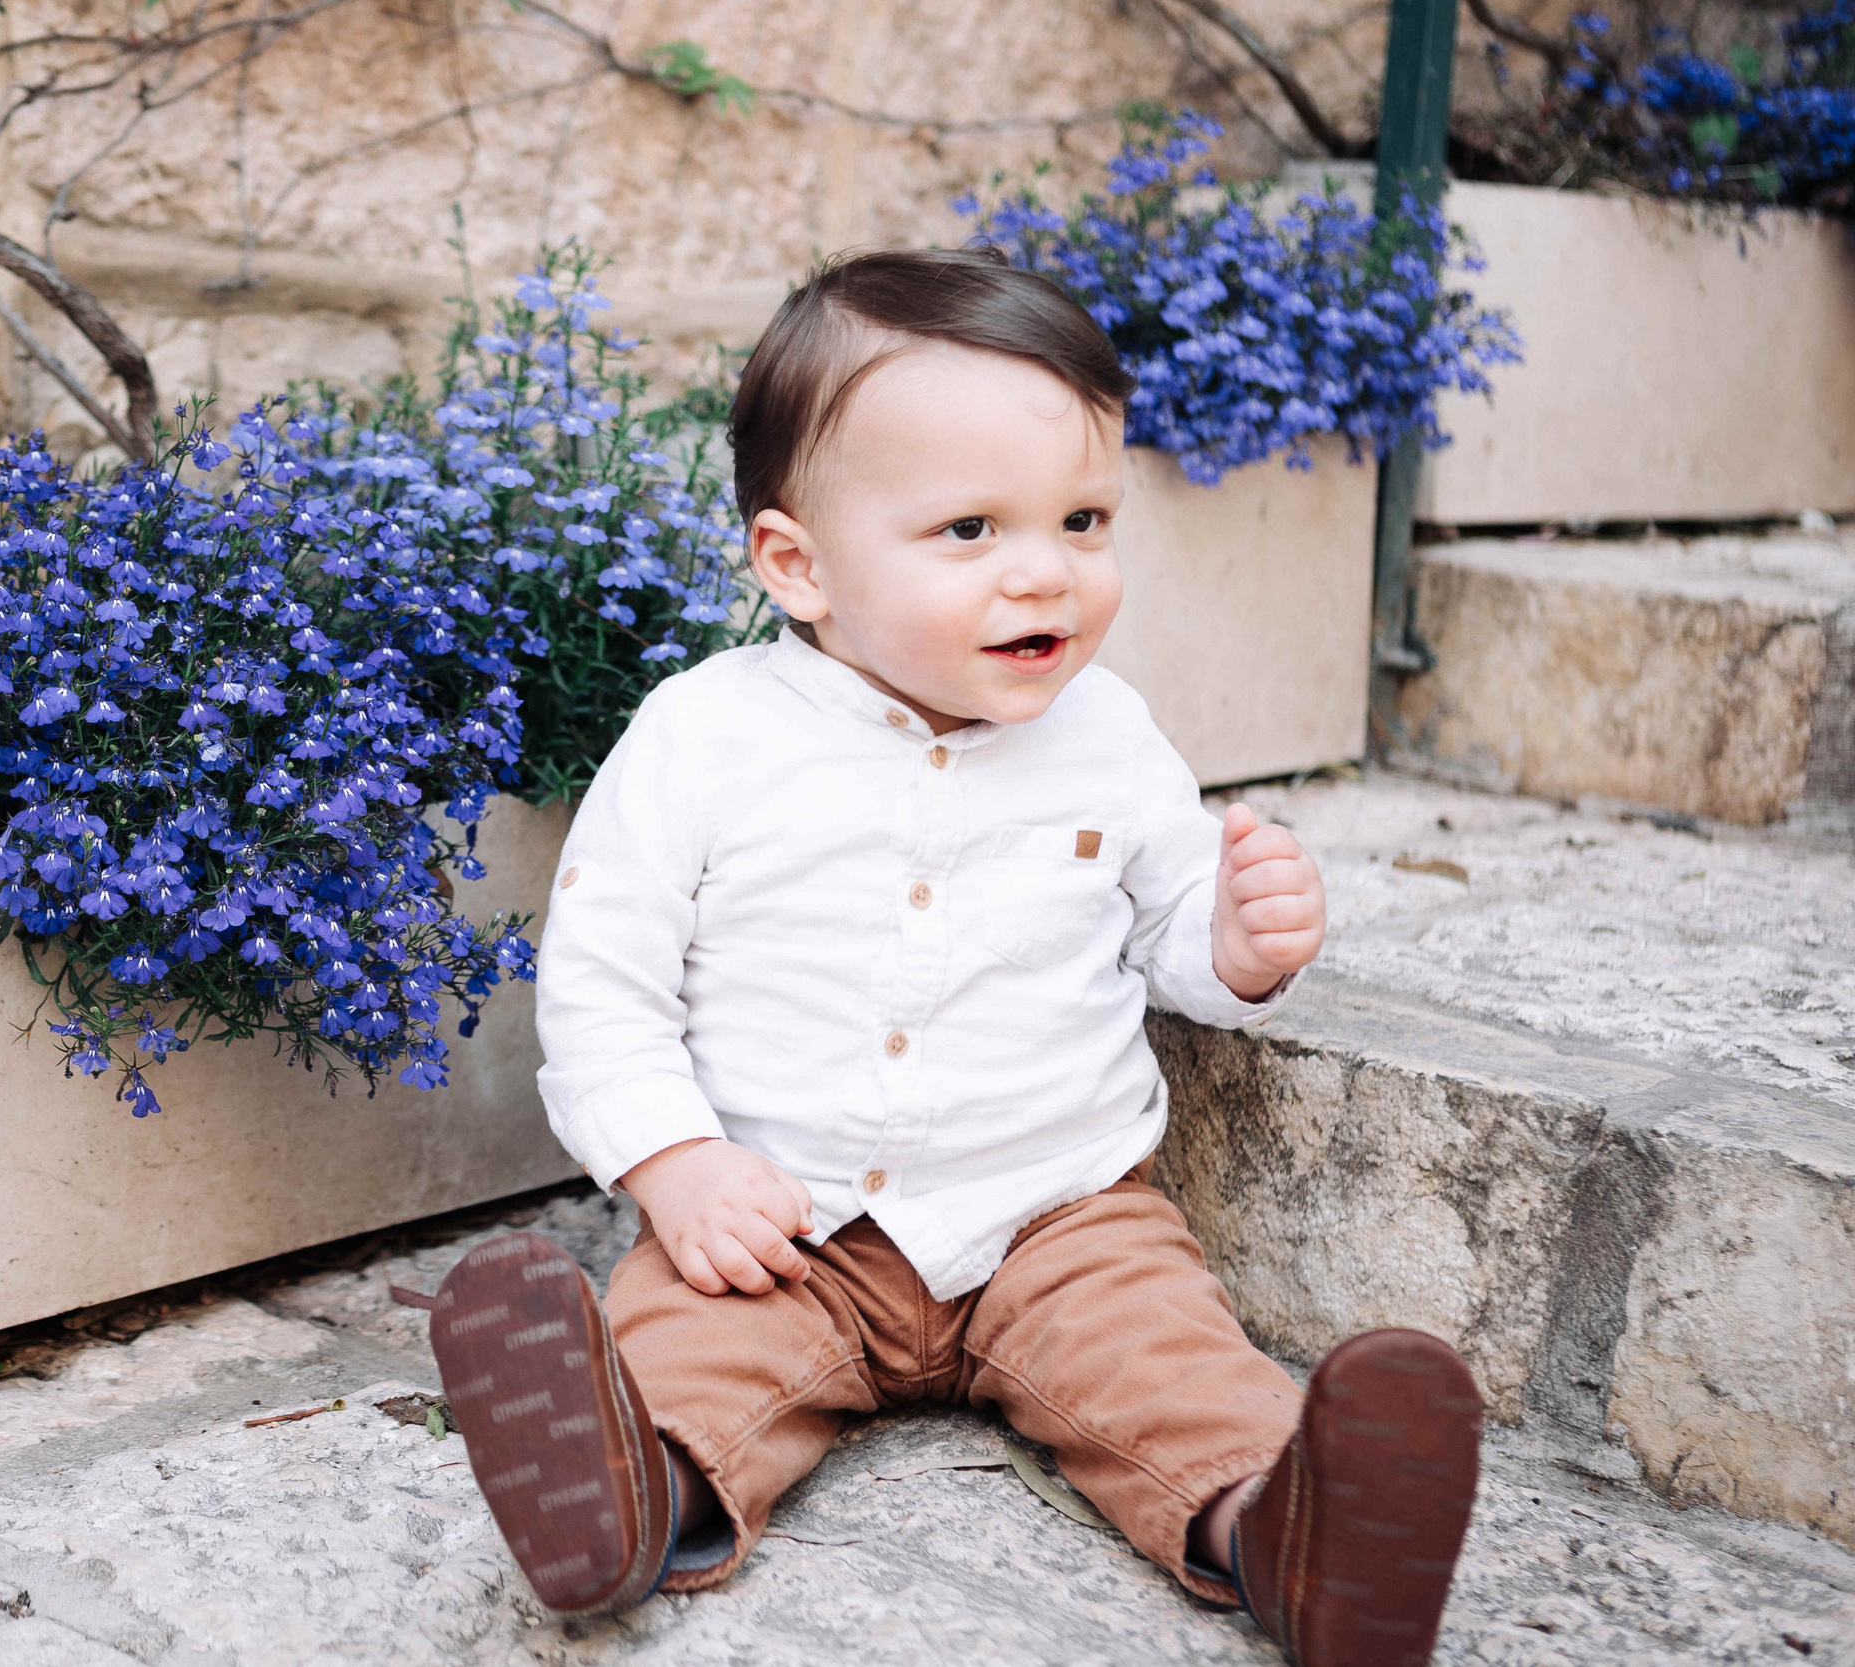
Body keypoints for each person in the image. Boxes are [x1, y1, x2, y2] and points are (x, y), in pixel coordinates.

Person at [426, 248, 1484, 1667]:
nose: (1046, 570)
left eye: (1084, 518)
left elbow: (1168, 933)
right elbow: (606, 984)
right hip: (778, 1229)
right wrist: (673, 1166)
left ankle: (1287, 1532)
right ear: (796, 565)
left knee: (1174, 1373)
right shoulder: (703, 738)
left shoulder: (1110, 733)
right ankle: (628, 1497)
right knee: (687, 1356)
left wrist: (1234, 943)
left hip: (1056, 1218)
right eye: (972, 530)